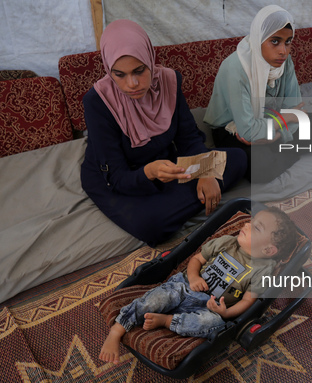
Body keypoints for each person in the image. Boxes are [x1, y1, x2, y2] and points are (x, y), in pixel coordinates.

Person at [81, 19, 247, 247]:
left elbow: (188, 137)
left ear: (150, 59)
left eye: (140, 70)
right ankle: (183, 199)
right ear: (109, 70)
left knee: (238, 159)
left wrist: (207, 172)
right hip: (119, 177)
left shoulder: (169, 81)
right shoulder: (97, 102)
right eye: (119, 75)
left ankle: (181, 197)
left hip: (165, 162)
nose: (132, 83)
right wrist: (149, 172)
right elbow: (117, 175)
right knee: (151, 226)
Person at [99, 207, 298, 364]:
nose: (246, 224)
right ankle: (118, 329)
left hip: (210, 308)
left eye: (256, 227)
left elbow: (248, 300)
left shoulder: (262, 270)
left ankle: (167, 321)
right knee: (159, 297)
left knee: (212, 324)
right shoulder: (227, 242)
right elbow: (197, 260)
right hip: (185, 288)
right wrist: (193, 278)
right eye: (250, 220)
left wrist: (226, 313)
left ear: (269, 249)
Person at [204, 5, 312, 183]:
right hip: (232, 128)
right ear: (259, 38)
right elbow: (248, 130)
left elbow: (293, 109)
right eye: (275, 41)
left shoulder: (285, 61)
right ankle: (283, 151)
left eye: (288, 42)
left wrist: (276, 133)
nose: (283, 50)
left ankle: (275, 147)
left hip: (271, 121)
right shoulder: (236, 68)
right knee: (260, 168)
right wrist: (284, 120)